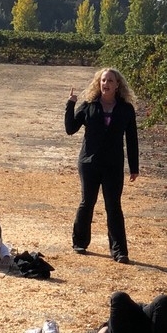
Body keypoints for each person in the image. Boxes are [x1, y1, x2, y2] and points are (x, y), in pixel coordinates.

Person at [65, 68, 140, 263]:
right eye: (103, 80)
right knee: (87, 202)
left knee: (113, 206)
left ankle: (119, 251)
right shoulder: (89, 106)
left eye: (110, 81)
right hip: (89, 163)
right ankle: (80, 243)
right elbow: (70, 129)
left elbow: (132, 139)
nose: (105, 84)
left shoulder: (126, 109)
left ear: (117, 85)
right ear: (99, 84)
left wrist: (134, 167)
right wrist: (70, 105)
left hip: (113, 165)